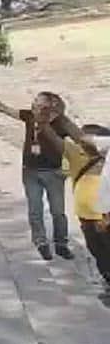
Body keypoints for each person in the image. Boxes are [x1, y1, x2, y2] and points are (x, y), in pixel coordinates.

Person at [0, 82, 98, 260]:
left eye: (39, 103)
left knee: (58, 212)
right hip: (30, 172)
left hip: (53, 173)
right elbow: (2, 109)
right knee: (35, 210)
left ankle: (61, 244)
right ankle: (41, 242)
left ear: (50, 106)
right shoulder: (29, 116)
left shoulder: (62, 122)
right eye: (35, 103)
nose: (34, 105)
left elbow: (82, 140)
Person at [63, 124, 110, 304]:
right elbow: (64, 172)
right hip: (86, 216)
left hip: (104, 217)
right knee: (96, 251)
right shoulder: (78, 158)